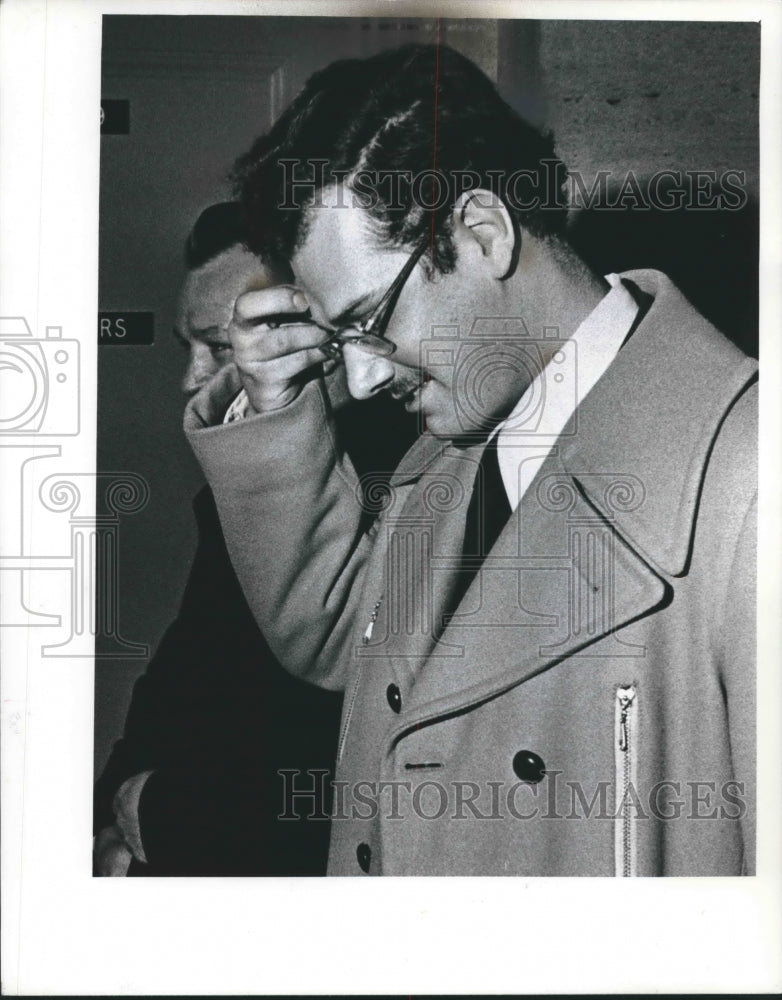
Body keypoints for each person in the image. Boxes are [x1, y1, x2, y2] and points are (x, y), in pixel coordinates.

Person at [184, 47, 757, 876]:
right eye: (341, 340)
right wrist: (275, 413)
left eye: (372, 319)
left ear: (483, 231)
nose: (363, 375)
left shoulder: (744, 473)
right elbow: (347, 636)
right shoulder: (450, 456)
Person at [94, 202, 414, 875]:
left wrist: (156, 811)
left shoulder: (409, 484)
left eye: (217, 343)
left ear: (311, 330)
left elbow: (341, 755)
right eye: (191, 347)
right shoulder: (236, 486)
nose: (190, 379)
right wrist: (108, 816)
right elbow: (181, 676)